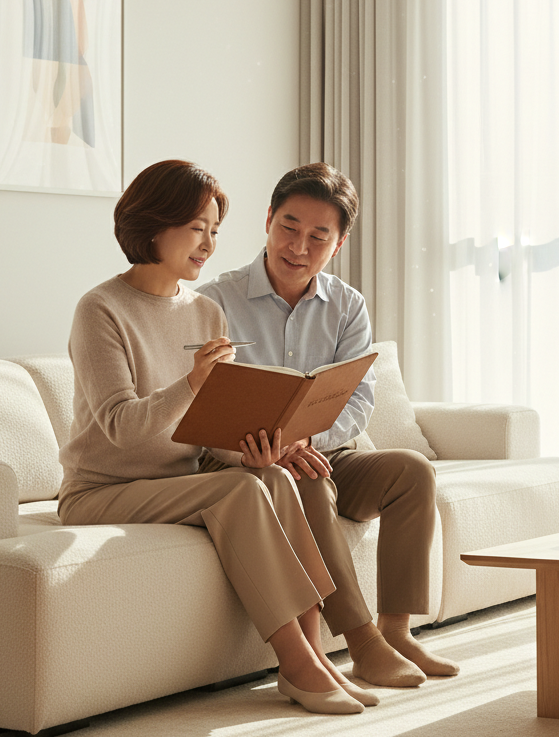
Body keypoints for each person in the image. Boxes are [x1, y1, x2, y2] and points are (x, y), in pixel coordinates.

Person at [57, 159, 377, 715]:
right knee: (237, 491)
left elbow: (207, 435)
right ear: (155, 225)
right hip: (103, 488)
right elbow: (120, 426)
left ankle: (316, 653)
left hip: (180, 480)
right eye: (196, 229)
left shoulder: (205, 312)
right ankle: (295, 664)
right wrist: (193, 382)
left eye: (214, 231)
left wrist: (257, 449)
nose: (208, 245)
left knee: (270, 477)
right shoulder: (101, 309)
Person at [197, 163, 459, 687]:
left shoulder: (346, 305)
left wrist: (310, 438)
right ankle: (362, 643)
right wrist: (277, 446)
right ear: (268, 220)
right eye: (288, 227)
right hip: (253, 462)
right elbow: (206, 403)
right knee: (308, 479)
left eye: (319, 236)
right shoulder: (214, 301)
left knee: (412, 472)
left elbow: (359, 397)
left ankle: (398, 631)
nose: (298, 246)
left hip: (329, 450)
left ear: (337, 245)